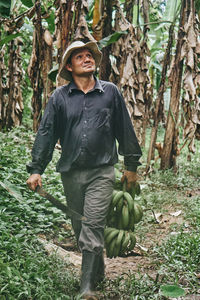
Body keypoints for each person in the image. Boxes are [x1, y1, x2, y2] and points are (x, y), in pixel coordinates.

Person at [26, 40, 142, 300]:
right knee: (81, 230)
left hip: (102, 171)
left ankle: (86, 289)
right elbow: (46, 134)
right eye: (80, 57)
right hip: (72, 173)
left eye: (90, 55)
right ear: (69, 65)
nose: (87, 59)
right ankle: (97, 274)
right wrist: (36, 169)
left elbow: (125, 129)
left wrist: (131, 166)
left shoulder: (110, 92)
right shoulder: (60, 97)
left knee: (91, 226)